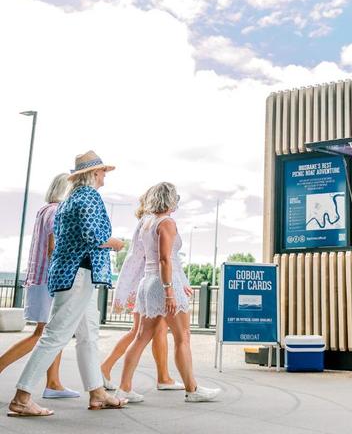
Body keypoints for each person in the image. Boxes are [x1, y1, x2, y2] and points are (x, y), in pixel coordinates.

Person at [7, 151, 127, 417]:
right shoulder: (89, 197)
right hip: (80, 273)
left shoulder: (69, 199)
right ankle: (22, 397)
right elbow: (93, 235)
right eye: (103, 171)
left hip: (70, 272)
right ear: (94, 173)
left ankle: (97, 392)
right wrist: (115, 242)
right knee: (56, 335)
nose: (105, 175)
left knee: (88, 335)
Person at [115, 182, 220, 404]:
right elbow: (166, 259)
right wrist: (170, 292)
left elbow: (152, 258)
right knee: (183, 338)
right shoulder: (167, 223)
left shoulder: (147, 222)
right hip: (163, 284)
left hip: (148, 281)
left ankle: (123, 389)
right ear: (170, 199)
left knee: (142, 337)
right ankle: (193, 389)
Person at [0, 173, 79, 399]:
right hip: (49, 280)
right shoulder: (57, 212)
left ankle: (53, 384)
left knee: (55, 332)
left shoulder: (44, 210)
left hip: (39, 277)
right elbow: (54, 247)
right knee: (43, 333)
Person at [101, 187, 183, 391]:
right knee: (141, 332)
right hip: (148, 280)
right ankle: (105, 369)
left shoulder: (147, 221)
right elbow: (154, 257)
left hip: (145, 280)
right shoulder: (153, 222)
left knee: (155, 331)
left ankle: (163, 377)